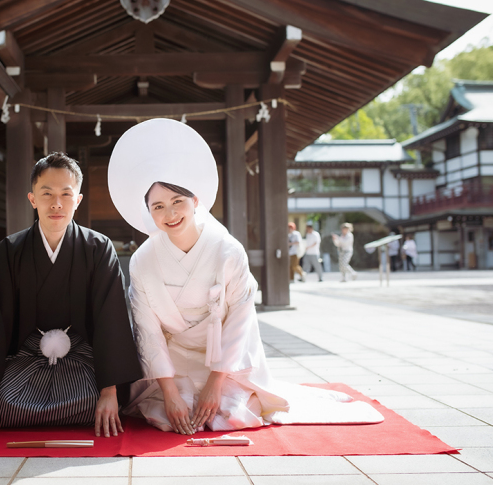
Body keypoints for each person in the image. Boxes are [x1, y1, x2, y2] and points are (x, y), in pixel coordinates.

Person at [108, 118, 382, 434]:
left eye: (177, 202)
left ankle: (227, 389)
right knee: (167, 417)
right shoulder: (143, 261)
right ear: (148, 212)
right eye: (158, 206)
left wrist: (215, 381)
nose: (169, 214)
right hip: (174, 360)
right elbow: (148, 331)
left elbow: (240, 318)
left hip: (224, 359)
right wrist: (168, 392)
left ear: (195, 201)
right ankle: (172, 393)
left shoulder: (227, 250)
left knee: (228, 417)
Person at [0, 152, 142, 441]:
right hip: (25, 358)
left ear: (78, 199)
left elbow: (110, 320)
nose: (57, 203)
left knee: (101, 403)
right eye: (47, 193)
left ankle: (93, 398)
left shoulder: (98, 249)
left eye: (66, 194)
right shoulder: (10, 250)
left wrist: (110, 391)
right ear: (32, 199)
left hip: (84, 360)